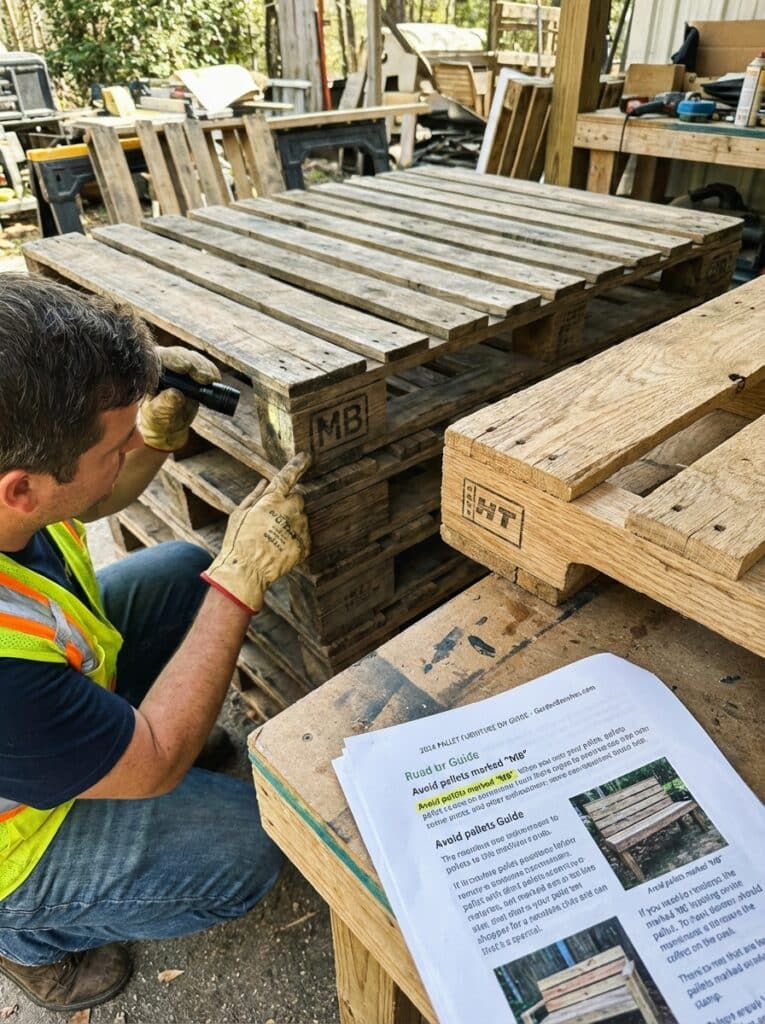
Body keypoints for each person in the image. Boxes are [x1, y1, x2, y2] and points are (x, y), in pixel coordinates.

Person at [0, 274, 311, 1012]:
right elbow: (155, 766)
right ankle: (25, 942)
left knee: (180, 573)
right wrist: (240, 583)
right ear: (21, 490)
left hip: (32, 731)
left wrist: (150, 434)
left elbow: (91, 494)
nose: (123, 456)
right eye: (113, 447)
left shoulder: (15, 490)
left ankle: (97, 743)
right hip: (14, 845)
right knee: (249, 847)